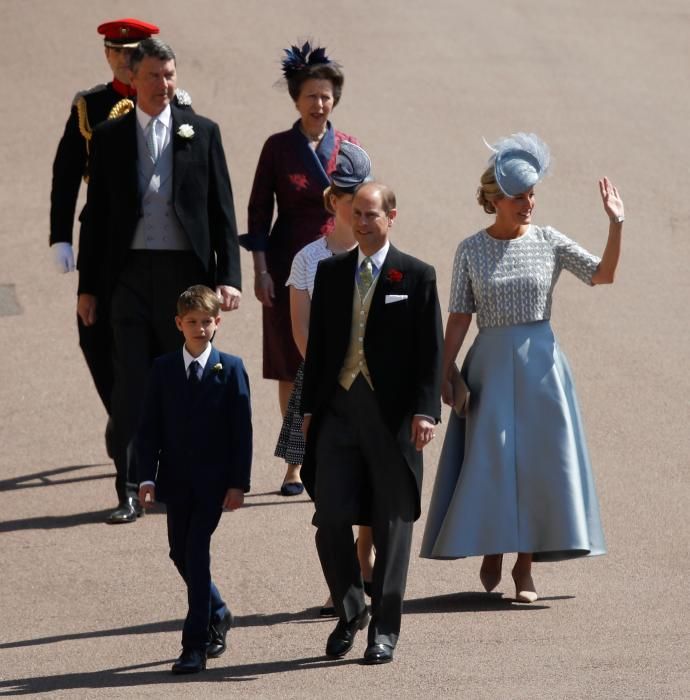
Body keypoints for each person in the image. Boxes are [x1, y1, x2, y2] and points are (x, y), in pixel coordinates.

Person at [420, 133, 624, 603]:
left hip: (542, 367)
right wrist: (443, 374)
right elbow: (457, 318)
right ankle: (493, 545)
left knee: (536, 464)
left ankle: (524, 567)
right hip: (488, 363)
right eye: (519, 195)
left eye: (532, 193)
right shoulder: (470, 249)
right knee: (490, 461)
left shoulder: (549, 241)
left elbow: (603, 274)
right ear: (494, 199)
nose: (528, 202)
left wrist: (616, 226)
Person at [77, 38, 241, 524]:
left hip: (184, 279)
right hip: (127, 276)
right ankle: (127, 488)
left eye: (170, 75)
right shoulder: (108, 137)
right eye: (154, 76)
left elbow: (222, 210)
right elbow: (97, 218)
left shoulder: (202, 132)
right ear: (134, 79)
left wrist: (227, 277)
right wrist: (87, 288)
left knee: (183, 381)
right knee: (131, 384)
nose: (164, 85)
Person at [301, 182, 443, 664]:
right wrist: (305, 412)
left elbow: (431, 353)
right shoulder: (331, 272)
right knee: (330, 518)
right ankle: (351, 608)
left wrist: (426, 411)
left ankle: (384, 628)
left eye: (372, 214)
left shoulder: (417, 276)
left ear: (391, 217)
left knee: (392, 523)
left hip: (393, 419)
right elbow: (319, 351)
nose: (362, 222)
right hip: (338, 411)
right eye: (356, 214)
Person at [50, 18, 193, 443]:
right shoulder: (90, 105)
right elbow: (67, 173)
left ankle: (145, 428)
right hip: (107, 234)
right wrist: (60, 236)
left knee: (159, 334)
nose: (126, 62)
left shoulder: (176, 102)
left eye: (135, 54)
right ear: (108, 56)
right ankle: (122, 409)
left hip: (161, 241)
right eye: (119, 53)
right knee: (95, 334)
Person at [241, 42, 358, 494]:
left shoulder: (350, 149)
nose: (319, 103)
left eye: (326, 95)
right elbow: (256, 212)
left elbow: (369, 210)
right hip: (290, 262)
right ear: (296, 99)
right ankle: (296, 460)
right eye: (310, 95)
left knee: (344, 358)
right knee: (292, 364)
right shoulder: (277, 148)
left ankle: (338, 453)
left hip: (341, 259)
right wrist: (260, 270)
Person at [275, 142, 376, 616]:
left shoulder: (383, 259)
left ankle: (362, 564)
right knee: (328, 490)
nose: (357, 204)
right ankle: (342, 580)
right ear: (332, 199)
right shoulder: (307, 259)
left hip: (372, 388)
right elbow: (300, 329)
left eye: (363, 195)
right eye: (347, 194)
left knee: (372, 483)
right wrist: (326, 380)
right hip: (322, 387)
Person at [137, 285, 252, 674]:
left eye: (207, 322)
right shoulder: (163, 369)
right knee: (179, 553)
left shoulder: (231, 368)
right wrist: (145, 478)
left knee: (197, 554)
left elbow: (242, 431)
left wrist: (238, 483)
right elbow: (149, 428)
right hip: (175, 481)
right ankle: (218, 610)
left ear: (218, 323)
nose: (200, 329)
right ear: (178, 324)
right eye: (192, 322)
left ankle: (194, 645)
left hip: (214, 485)